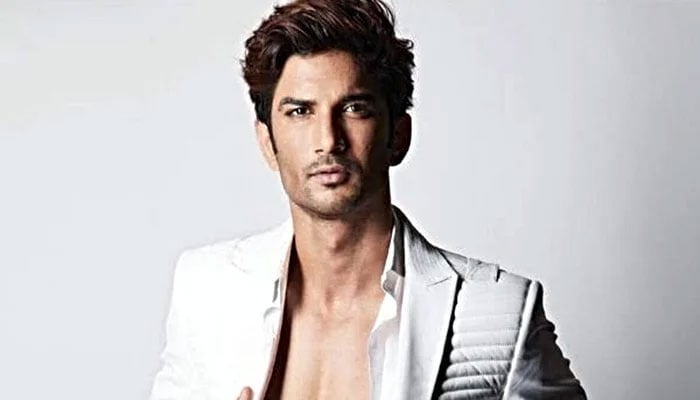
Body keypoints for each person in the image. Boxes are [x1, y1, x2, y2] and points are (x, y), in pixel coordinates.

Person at [150, 1, 587, 399]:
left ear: (398, 135)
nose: (328, 140)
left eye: (354, 108)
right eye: (300, 111)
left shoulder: (497, 312)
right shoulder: (206, 290)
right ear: (267, 142)